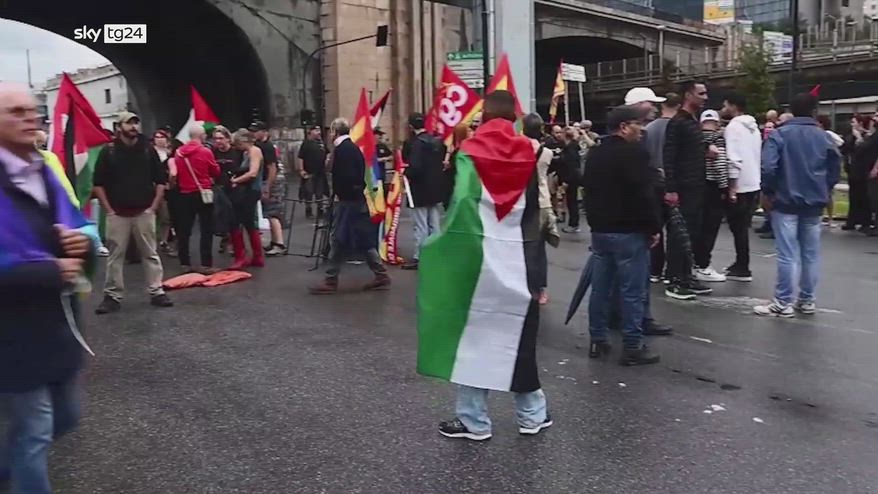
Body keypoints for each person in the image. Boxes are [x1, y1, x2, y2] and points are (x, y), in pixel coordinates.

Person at [419, 90, 551, 441]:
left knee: (473, 339)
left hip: (477, 260)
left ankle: (474, 420)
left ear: (486, 116)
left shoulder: (469, 152)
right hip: (520, 258)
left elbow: (458, 205)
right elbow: (535, 211)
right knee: (519, 338)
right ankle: (532, 416)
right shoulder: (532, 151)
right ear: (514, 117)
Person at [0, 82, 99, 494]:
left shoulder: (43, 169)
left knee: (65, 417)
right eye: (15, 112)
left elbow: (79, 224)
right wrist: (50, 270)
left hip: (56, 322)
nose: (30, 117)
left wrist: (83, 242)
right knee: (36, 428)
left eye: (31, 109)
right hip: (10, 331)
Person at [584, 105, 663, 365]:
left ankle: (597, 338)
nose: (642, 130)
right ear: (624, 127)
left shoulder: (595, 154)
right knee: (632, 290)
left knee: (601, 288)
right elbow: (643, 195)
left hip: (601, 230)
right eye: (638, 124)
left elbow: (588, 190)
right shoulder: (634, 154)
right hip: (629, 230)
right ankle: (632, 345)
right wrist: (653, 227)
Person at [755, 93, 841, 317]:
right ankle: (807, 299)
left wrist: (769, 191)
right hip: (814, 201)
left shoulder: (780, 135)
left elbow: (768, 167)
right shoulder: (824, 137)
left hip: (785, 199)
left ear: (791, 111)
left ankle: (783, 301)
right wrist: (825, 187)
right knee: (810, 254)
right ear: (814, 111)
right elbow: (834, 167)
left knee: (787, 254)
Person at [93, 112, 172, 314]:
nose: (134, 127)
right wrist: (109, 210)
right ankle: (112, 296)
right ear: (119, 127)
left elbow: (160, 181)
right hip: (118, 213)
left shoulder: (147, 149)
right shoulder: (109, 151)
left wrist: (153, 207)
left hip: (143, 211)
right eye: (129, 123)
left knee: (150, 254)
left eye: (136, 123)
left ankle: (157, 291)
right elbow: (98, 183)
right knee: (115, 256)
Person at [309, 118, 390, 294]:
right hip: (354, 200)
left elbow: (348, 176)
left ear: (334, 132)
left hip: (348, 202)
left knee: (339, 239)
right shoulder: (350, 148)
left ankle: (331, 280)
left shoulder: (343, 150)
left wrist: (343, 193)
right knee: (362, 238)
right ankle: (381, 274)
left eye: (330, 132)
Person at [662, 81, 712, 300]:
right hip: (683, 187)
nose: (705, 97)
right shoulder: (678, 122)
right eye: (701, 93)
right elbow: (669, 156)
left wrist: (705, 150)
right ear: (688, 95)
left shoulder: (692, 121)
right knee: (679, 234)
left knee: (691, 233)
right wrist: (671, 188)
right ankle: (674, 279)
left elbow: (690, 149)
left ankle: (686, 276)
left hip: (696, 185)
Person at [721, 92, 762, 281]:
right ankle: (741, 262)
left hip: (740, 183)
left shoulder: (733, 127)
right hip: (753, 180)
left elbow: (733, 158)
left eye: (725, 105)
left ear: (733, 106)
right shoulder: (754, 128)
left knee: (737, 227)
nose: (723, 109)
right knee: (743, 226)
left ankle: (742, 266)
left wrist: (732, 186)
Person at [172, 124, 221, 273]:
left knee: (184, 230)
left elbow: (176, 172)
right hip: (203, 193)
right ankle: (206, 264)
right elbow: (215, 171)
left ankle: (185, 263)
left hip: (185, 193)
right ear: (202, 136)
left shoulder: (179, 152)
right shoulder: (205, 151)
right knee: (206, 228)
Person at [643, 92, 680, 282]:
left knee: (656, 227)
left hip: (654, 181)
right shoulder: (680, 127)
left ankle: (655, 270)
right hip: (676, 183)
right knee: (676, 229)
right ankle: (673, 271)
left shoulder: (648, 129)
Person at [401, 113, 446, 270]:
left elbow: (415, 167)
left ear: (411, 127)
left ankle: (420, 256)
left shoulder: (416, 144)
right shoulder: (436, 142)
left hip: (419, 190)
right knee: (434, 224)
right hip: (435, 189)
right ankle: (437, 253)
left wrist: (405, 173)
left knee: (420, 225)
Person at [523, 113, 558, 306]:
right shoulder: (547, 153)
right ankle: (541, 290)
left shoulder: (518, 149)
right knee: (539, 250)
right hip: (543, 200)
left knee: (526, 248)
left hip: (525, 201)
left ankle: (527, 287)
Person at [692, 109, 730, 283]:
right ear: (717, 122)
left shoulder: (695, 138)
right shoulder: (718, 139)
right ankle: (703, 265)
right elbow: (720, 165)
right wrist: (725, 187)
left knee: (697, 227)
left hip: (696, 185)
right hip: (713, 186)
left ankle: (692, 263)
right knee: (710, 228)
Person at [228, 129, 266, 270]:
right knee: (249, 223)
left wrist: (236, 181)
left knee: (237, 222)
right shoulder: (246, 153)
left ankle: (242, 257)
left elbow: (253, 172)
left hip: (250, 191)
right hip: (247, 190)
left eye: (238, 143)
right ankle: (256, 256)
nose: (237, 147)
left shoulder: (254, 151)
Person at [250, 121, 285, 255]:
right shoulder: (260, 145)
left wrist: (267, 186)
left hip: (272, 181)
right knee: (268, 212)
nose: (253, 133)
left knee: (272, 212)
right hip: (266, 179)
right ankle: (274, 241)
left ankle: (279, 244)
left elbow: (272, 167)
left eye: (256, 131)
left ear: (264, 132)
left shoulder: (267, 147)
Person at [211, 126, 242, 254]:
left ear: (228, 139)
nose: (218, 141)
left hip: (234, 186)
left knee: (234, 215)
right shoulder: (213, 152)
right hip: (218, 187)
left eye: (221, 138)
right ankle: (225, 237)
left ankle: (233, 242)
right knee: (220, 214)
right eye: (215, 139)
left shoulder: (236, 152)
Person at [816, 115, 844, 229]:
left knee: (827, 194)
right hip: (826, 167)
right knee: (827, 194)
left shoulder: (826, 134)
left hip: (826, 168)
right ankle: (827, 217)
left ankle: (828, 217)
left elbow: (840, 143)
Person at [297, 125, 329, 219]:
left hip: (320, 172)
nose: (319, 132)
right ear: (310, 132)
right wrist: (301, 170)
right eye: (316, 130)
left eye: (319, 130)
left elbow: (328, 153)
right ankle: (308, 210)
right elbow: (300, 157)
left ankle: (320, 210)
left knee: (320, 193)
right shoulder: (306, 144)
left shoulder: (321, 143)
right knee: (308, 192)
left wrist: (327, 160)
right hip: (309, 172)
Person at [559, 127, 583, 233]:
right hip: (571, 176)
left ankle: (574, 224)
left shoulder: (570, 149)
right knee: (571, 201)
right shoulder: (569, 147)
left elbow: (572, 166)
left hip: (571, 178)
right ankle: (573, 223)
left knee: (571, 201)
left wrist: (566, 181)